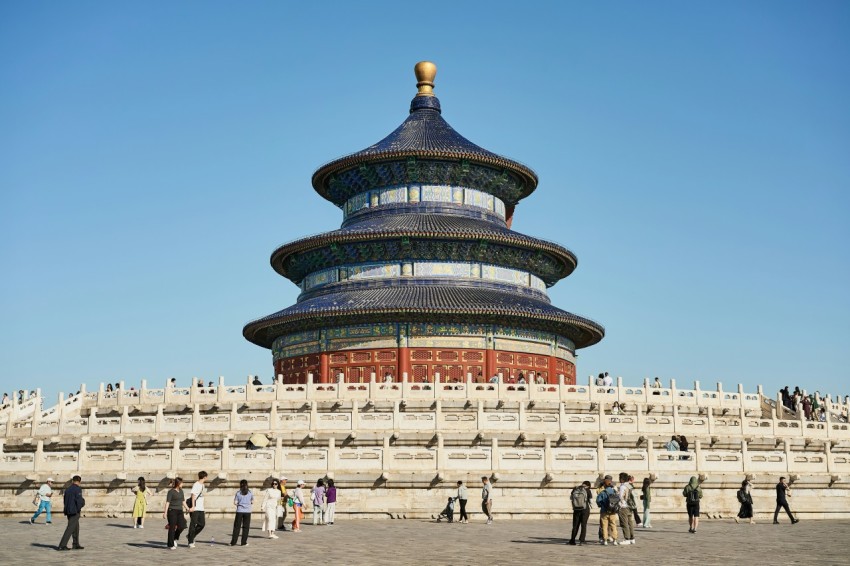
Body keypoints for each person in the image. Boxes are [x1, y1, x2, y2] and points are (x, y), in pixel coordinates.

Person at [58, 475, 84, 551]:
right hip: (74, 511)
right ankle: (62, 545)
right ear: (79, 482)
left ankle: (76, 544)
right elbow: (79, 501)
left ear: (72, 481)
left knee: (75, 527)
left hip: (68, 510)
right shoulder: (78, 489)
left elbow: (65, 500)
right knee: (70, 528)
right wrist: (81, 506)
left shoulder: (68, 489)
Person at [163, 477, 189, 550]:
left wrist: (188, 508)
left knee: (182, 525)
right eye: (182, 483)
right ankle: (170, 544)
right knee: (172, 527)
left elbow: (183, 501)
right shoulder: (171, 492)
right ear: (178, 483)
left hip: (180, 511)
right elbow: (167, 502)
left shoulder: (181, 491)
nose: (183, 484)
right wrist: (165, 513)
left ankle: (174, 538)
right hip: (172, 511)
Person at [186, 470, 208, 548]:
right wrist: (193, 506)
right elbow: (193, 496)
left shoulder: (203, 485)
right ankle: (190, 541)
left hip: (201, 508)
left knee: (202, 524)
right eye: (206, 477)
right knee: (193, 524)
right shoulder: (196, 484)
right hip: (195, 508)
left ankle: (190, 536)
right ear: (204, 477)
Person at [595, 475, 619, 545]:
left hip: (604, 511)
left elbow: (598, 501)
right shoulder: (614, 492)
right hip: (613, 511)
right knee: (613, 525)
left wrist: (601, 505)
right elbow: (618, 500)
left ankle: (605, 540)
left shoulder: (603, 492)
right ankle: (615, 540)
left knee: (604, 526)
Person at [568, 480, 592, 545]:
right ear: (589, 486)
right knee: (583, 525)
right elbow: (590, 498)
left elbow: (571, 496)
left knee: (575, 525)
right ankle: (582, 540)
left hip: (576, 509)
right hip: (585, 509)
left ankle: (572, 540)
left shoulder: (576, 489)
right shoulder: (587, 490)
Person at [231, 480, 253, 546]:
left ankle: (233, 542)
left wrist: (239, 504)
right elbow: (252, 501)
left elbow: (235, 502)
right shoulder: (250, 493)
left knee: (237, 527)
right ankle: (243, 542)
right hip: (247, 511)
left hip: (239, 511)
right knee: (246, 527)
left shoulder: (238, 493)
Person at [617, 473, 636, 545]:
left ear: (621, 479)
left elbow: (621, 497)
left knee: (624, 523)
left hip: (623, 507)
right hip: (630, 506)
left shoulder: (623, 487)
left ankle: (627, 538)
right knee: (630, 523)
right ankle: (632, 538)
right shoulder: (629, 485)